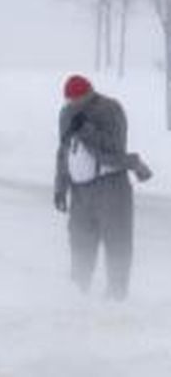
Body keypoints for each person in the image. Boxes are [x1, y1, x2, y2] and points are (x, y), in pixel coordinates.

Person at [54, 75, 152, 301]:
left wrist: (86, 129)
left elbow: (114, 148)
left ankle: (117, 298)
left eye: (77, 99)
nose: (72, 104)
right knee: (79, 243)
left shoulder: (110, 109)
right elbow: (63, 152)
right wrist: (60, 187)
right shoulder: (66, 113)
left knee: (117, 244)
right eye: (69, 100)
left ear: (88, 94)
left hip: (111, 187)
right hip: (80, 193)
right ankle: (77, 296)